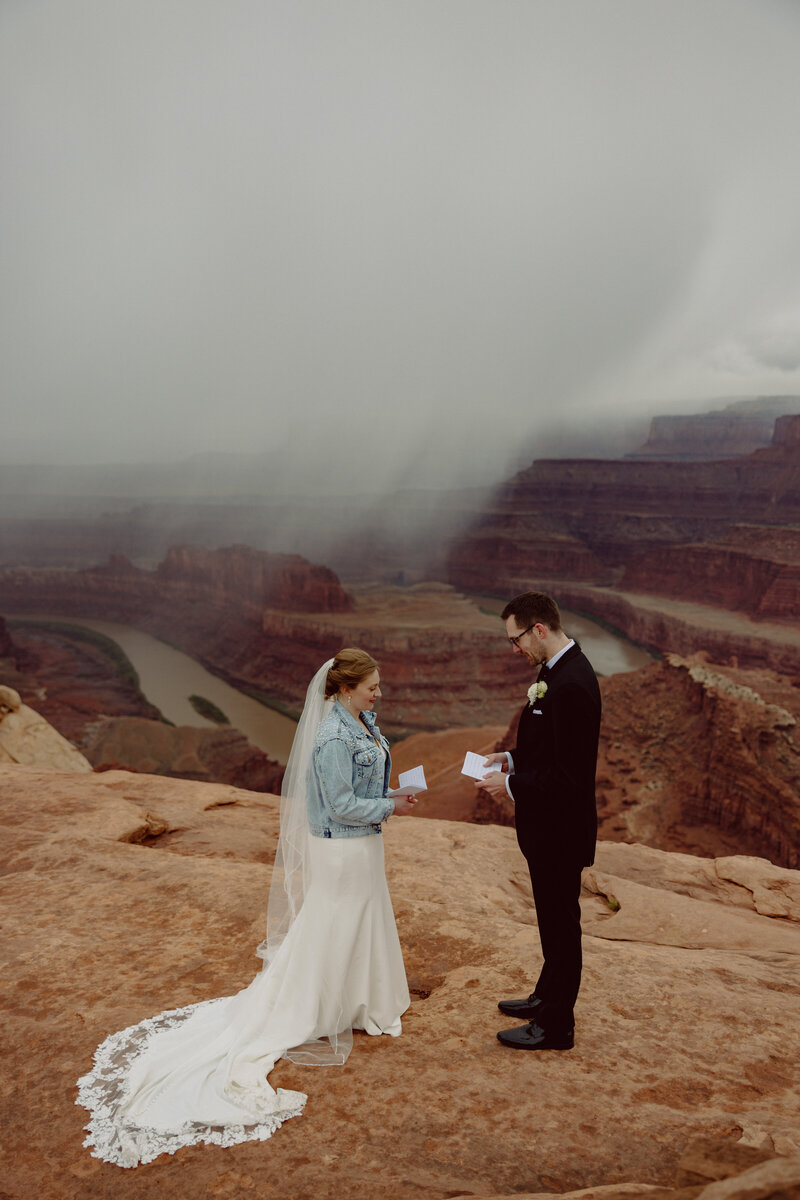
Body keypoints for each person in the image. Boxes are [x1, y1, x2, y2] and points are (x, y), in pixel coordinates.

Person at [77, 648, 417, 1167]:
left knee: (360, 921)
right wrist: (391, 804)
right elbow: (341, 803)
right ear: (345, 688)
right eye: (373, 686)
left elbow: (360, 791)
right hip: (342, 849)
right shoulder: (330, 736)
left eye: (379, 685)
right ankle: (316, 1006)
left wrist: (392, 793)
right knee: (333, 924)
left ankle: (357, 1002)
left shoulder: (361, 722)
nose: (379, 693)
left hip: (363, 846)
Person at [480, 592, 601, 1051]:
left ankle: (556, 1027)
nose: (515, 650)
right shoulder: (554, 672)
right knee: (551, 921)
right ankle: (545, 997)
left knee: (561, 926)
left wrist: (508, 788)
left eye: (516, 640)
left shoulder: (572, 683)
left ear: (539, 630)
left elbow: (568, 778)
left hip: (561, 832)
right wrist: (509, 760)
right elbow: (547, 748)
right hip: (547, 830)